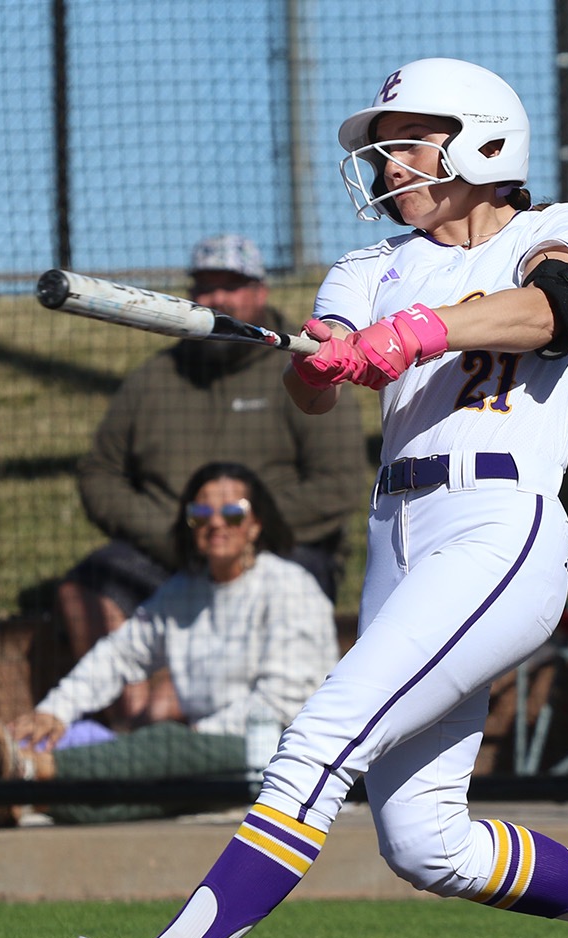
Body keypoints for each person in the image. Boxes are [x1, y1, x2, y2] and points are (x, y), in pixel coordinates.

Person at [23, 57, 568, 938]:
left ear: (480, 139)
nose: (388, 159)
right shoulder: (369, 265)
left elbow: (552, 312)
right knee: (428, 843)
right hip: (400, 536)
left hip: (500, 530)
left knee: (321, 734)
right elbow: (316, 379)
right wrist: (326, 360)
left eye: (408, 138)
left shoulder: (554, 230)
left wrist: (418, 333)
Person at [58, 234, 367, 694]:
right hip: (168, 551)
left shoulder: (304, 366)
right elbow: (99, 474)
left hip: (280, 553)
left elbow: (340, 484)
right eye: (204, 287)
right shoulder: (154, 379)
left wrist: (239, 530)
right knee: (86, 585)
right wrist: (176, 534)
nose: (217, 298)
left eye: (232, 285)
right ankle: (131, 734)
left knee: (298, 584)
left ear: (261, 292)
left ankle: (267, 734)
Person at [0, 462, 339, 826]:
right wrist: (54, 712)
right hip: (202, 750)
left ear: (255, 525)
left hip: (275, 752)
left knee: (162, 747)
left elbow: (281, 704)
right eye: (201, 514)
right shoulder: (182, 593)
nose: (215, 523)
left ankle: (26, 771)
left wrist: (196, 737)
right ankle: (19, 792)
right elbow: (117, 656)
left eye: (233, 513)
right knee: (131, 787)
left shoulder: (290, 587)